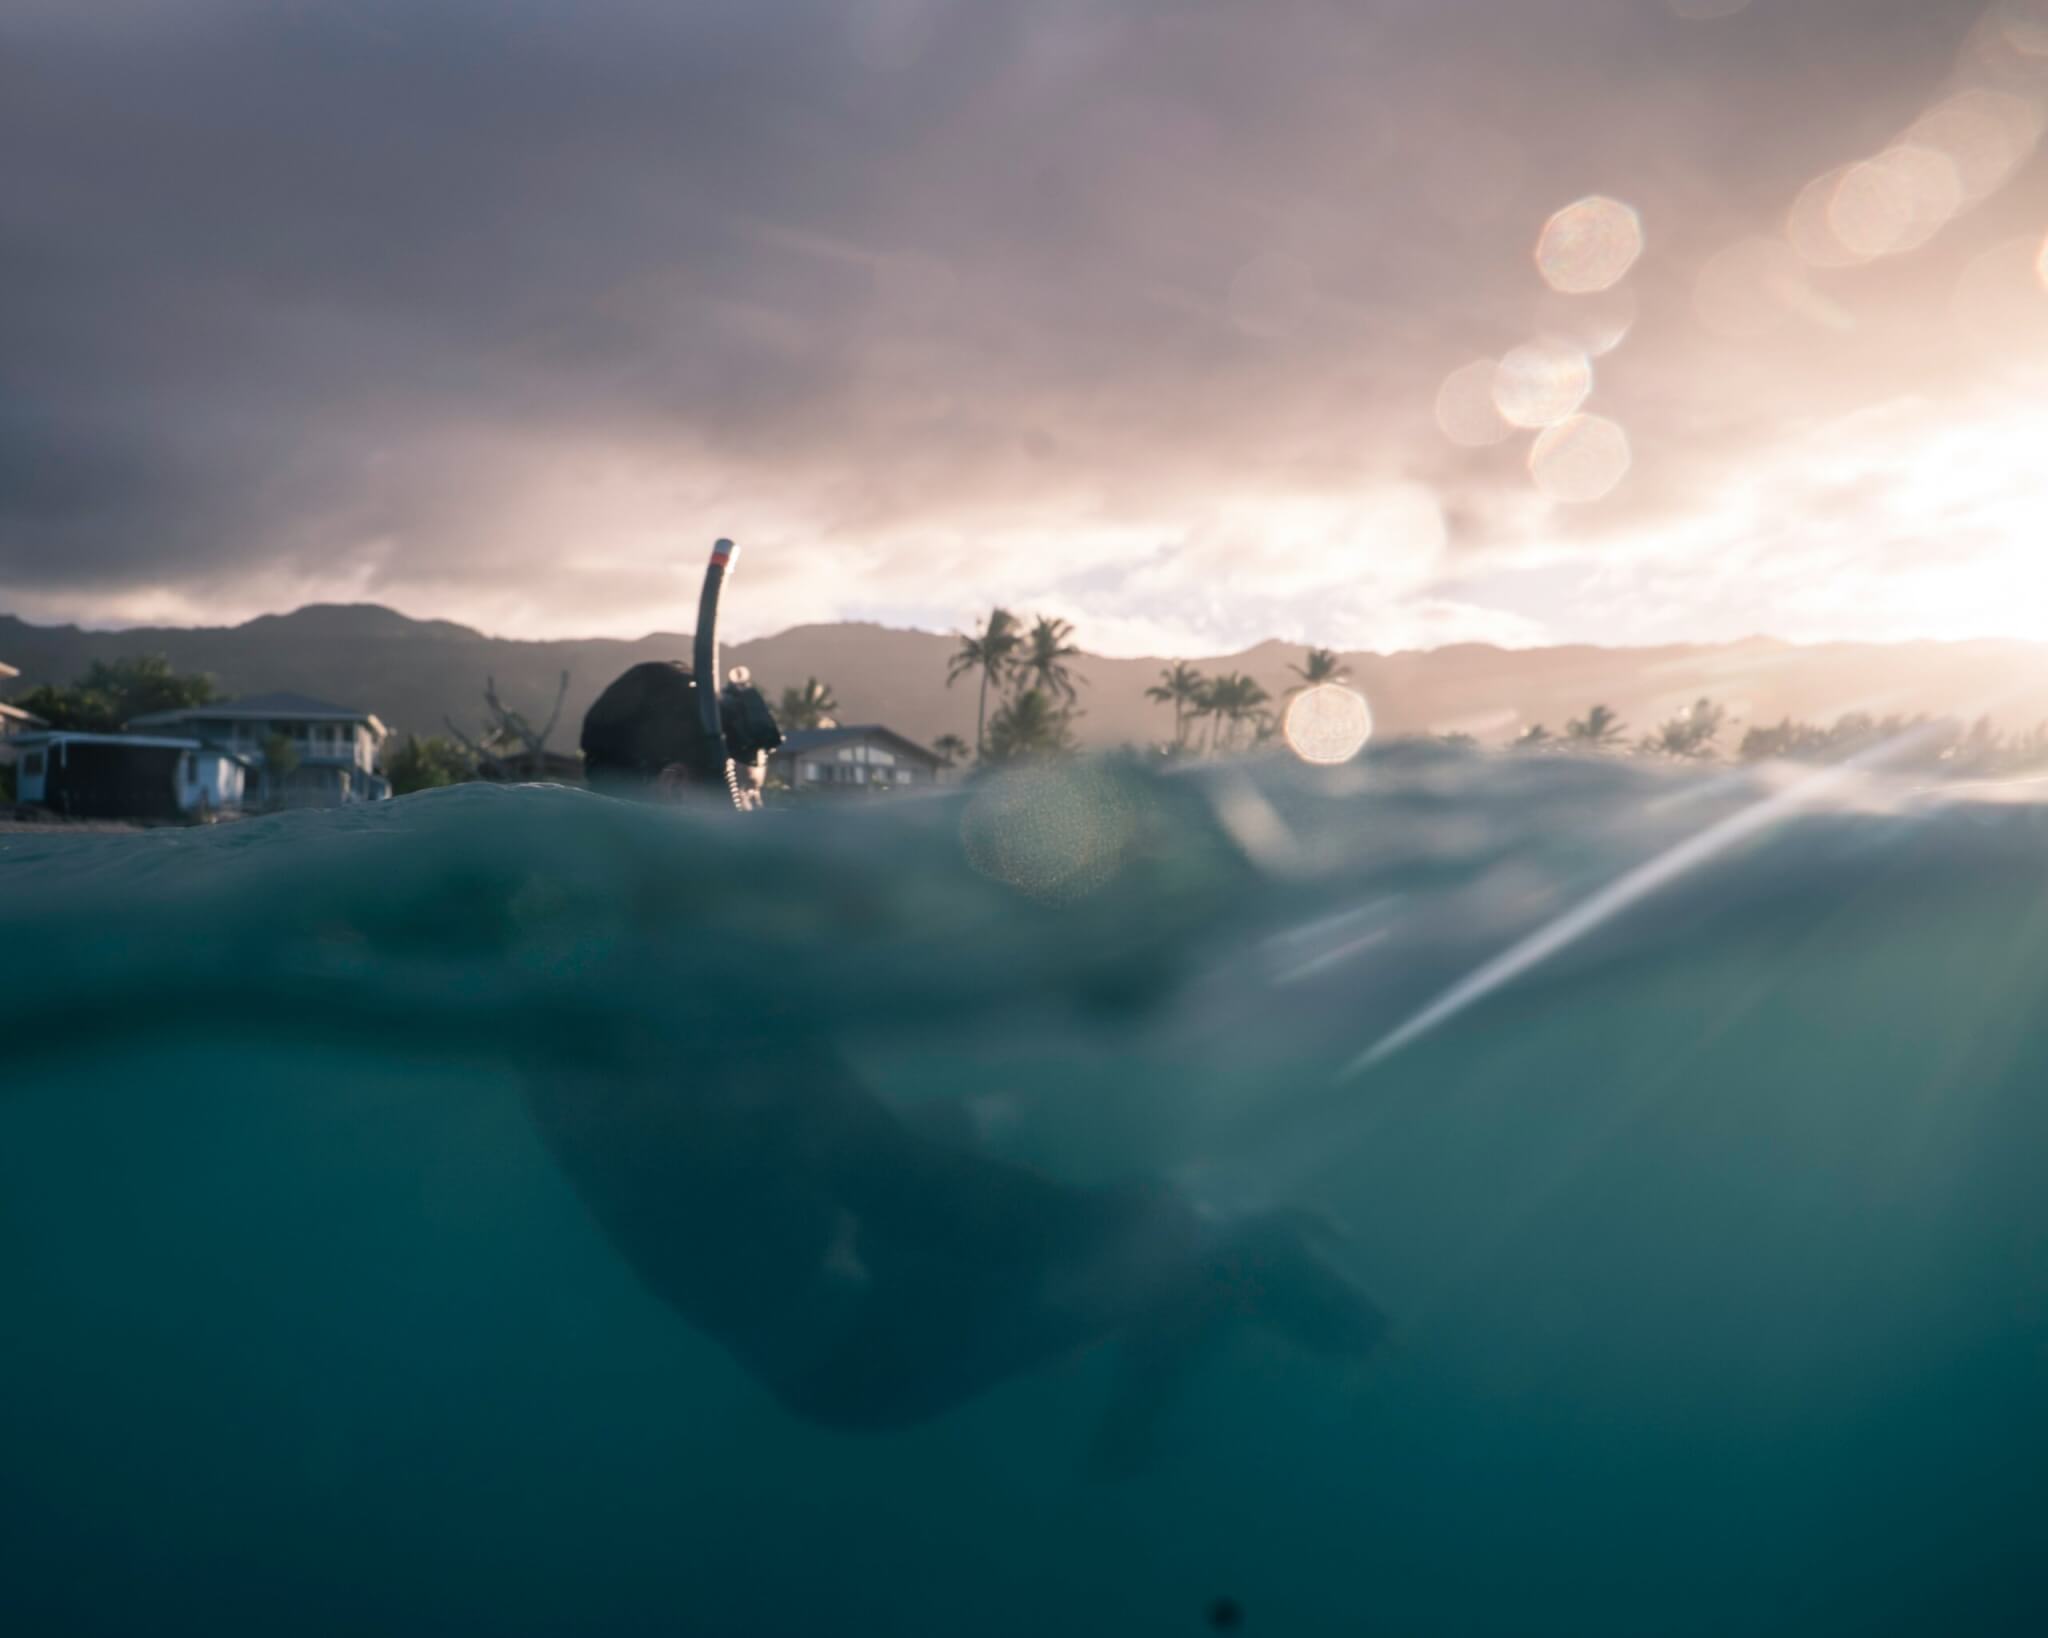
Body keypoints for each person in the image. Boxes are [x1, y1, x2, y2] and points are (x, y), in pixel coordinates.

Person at [525, 554, 1389, 1467]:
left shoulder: (574, 959)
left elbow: (736, 1163)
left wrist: (965, 1123)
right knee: (1188, 1240)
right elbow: (896, 1186)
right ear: (671, 792)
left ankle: (1174, 1295)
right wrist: (1157, 1222)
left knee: (1021, 1141)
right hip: (866, 1357)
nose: (760, 804)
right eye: (743, 776)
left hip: (835, 1307)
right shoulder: (703, 989)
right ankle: (1216, 1282)